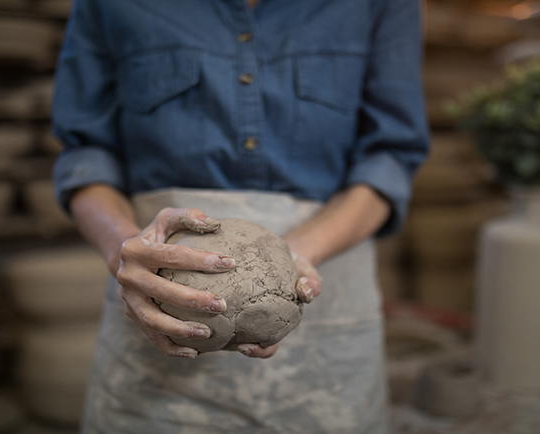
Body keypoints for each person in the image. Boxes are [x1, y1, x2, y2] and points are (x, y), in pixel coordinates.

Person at [51, 0, 428, 432]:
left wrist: (294, 254)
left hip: (325, 281)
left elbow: (390, 155)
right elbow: (86, 154)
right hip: (156, 293)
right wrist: (126, 248)